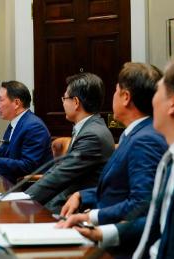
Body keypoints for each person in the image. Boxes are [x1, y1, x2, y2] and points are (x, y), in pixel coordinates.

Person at [59, 52, 174, 258]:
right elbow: (160, 221)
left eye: (158, 91)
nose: (151, 100)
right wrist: (102, 232)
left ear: (172, 104)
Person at [58, 63, 167, 226]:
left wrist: (93, 217)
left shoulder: (145, 140)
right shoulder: (132, 133)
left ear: (126, 97)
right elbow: (120, 190)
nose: (112, 96)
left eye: (116, 90)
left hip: (119, 239)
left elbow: (141, 204)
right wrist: (82, 195)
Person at [25, 73, 115, 213]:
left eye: (65, 98)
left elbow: (60, 176)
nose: (63, 102)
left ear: (76, 102)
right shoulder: (87, 128)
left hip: (77, 209)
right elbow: (57, 170)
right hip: (65, 203)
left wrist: (22, 201)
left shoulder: (92, 135)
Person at [0, 81, 53, 183]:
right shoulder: (16, 123)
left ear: (16, 103)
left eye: (1, 100)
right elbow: (1, 153)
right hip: (10, 181)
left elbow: (28, 166)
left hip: (27, 186)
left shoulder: (34, 127)